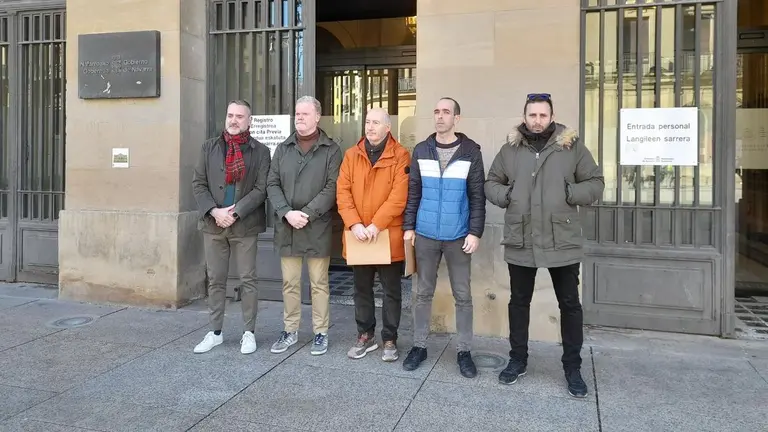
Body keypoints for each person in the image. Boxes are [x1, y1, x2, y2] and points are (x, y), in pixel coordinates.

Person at [484, 93, 604, 398]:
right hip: (521, 236)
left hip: (561, 238)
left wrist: (568, 192)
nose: (537, 121)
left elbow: (595, 183)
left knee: (569, 305)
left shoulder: (571, 146)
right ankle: (517, 360)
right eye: (532, 115)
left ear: (551, 116)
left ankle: (572, 368)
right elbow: (491, 183)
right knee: (518, 302)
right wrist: (507, 196)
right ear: (524, 116)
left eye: (542, 115)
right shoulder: (510, 149)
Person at [401, 97, 486, 378]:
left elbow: (477, 196)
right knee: (422, 293)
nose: (440, 116)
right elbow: (413, 191)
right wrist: (409, 226)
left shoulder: (471, 151)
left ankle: (464, 351)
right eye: (436, 111)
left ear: (456, 119)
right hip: (425, 235)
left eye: (446, 112)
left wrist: (475, 232)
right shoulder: (422, 150)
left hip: (458, 236)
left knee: (463, 295)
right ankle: (419, 346)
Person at [191, 99, 271, 354]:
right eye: (230, 115)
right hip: (214, 225)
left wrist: (234, 212)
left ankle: (249, 333)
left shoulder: (260, 151)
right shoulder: (209, 148)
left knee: (248, 279)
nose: (233, 120)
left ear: (249, 120)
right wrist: (215, 211)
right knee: (215, 279)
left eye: (239, 116)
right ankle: (215, 332)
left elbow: (261, 190)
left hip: (244, 225)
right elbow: (198, 184)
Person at [267, 96, 343, 356]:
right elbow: (271, 184)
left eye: (305, 114)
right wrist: (286, 213)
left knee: (319, 283)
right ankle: (290, 330)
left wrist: (308, 213)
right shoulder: (283, 148)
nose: (299, 117)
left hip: (316, 227)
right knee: (289, 283)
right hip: (288, 226)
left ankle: (320, 333)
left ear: (317, 117)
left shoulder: (331, 149)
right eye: (297, 114)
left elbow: (333, 187)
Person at [336, 107, 411, 362]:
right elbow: (342, 193)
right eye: (367, 122)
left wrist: (375, 225)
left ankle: (389, 338)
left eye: (376, 123)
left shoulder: (401, 155)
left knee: (391, 291)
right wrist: (355, 224)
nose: (370, 127)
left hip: (387, 236)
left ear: (388, 127)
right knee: (361, 289)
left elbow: (399, 197)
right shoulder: (351, 155)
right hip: (359, 236)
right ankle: (365, 335)